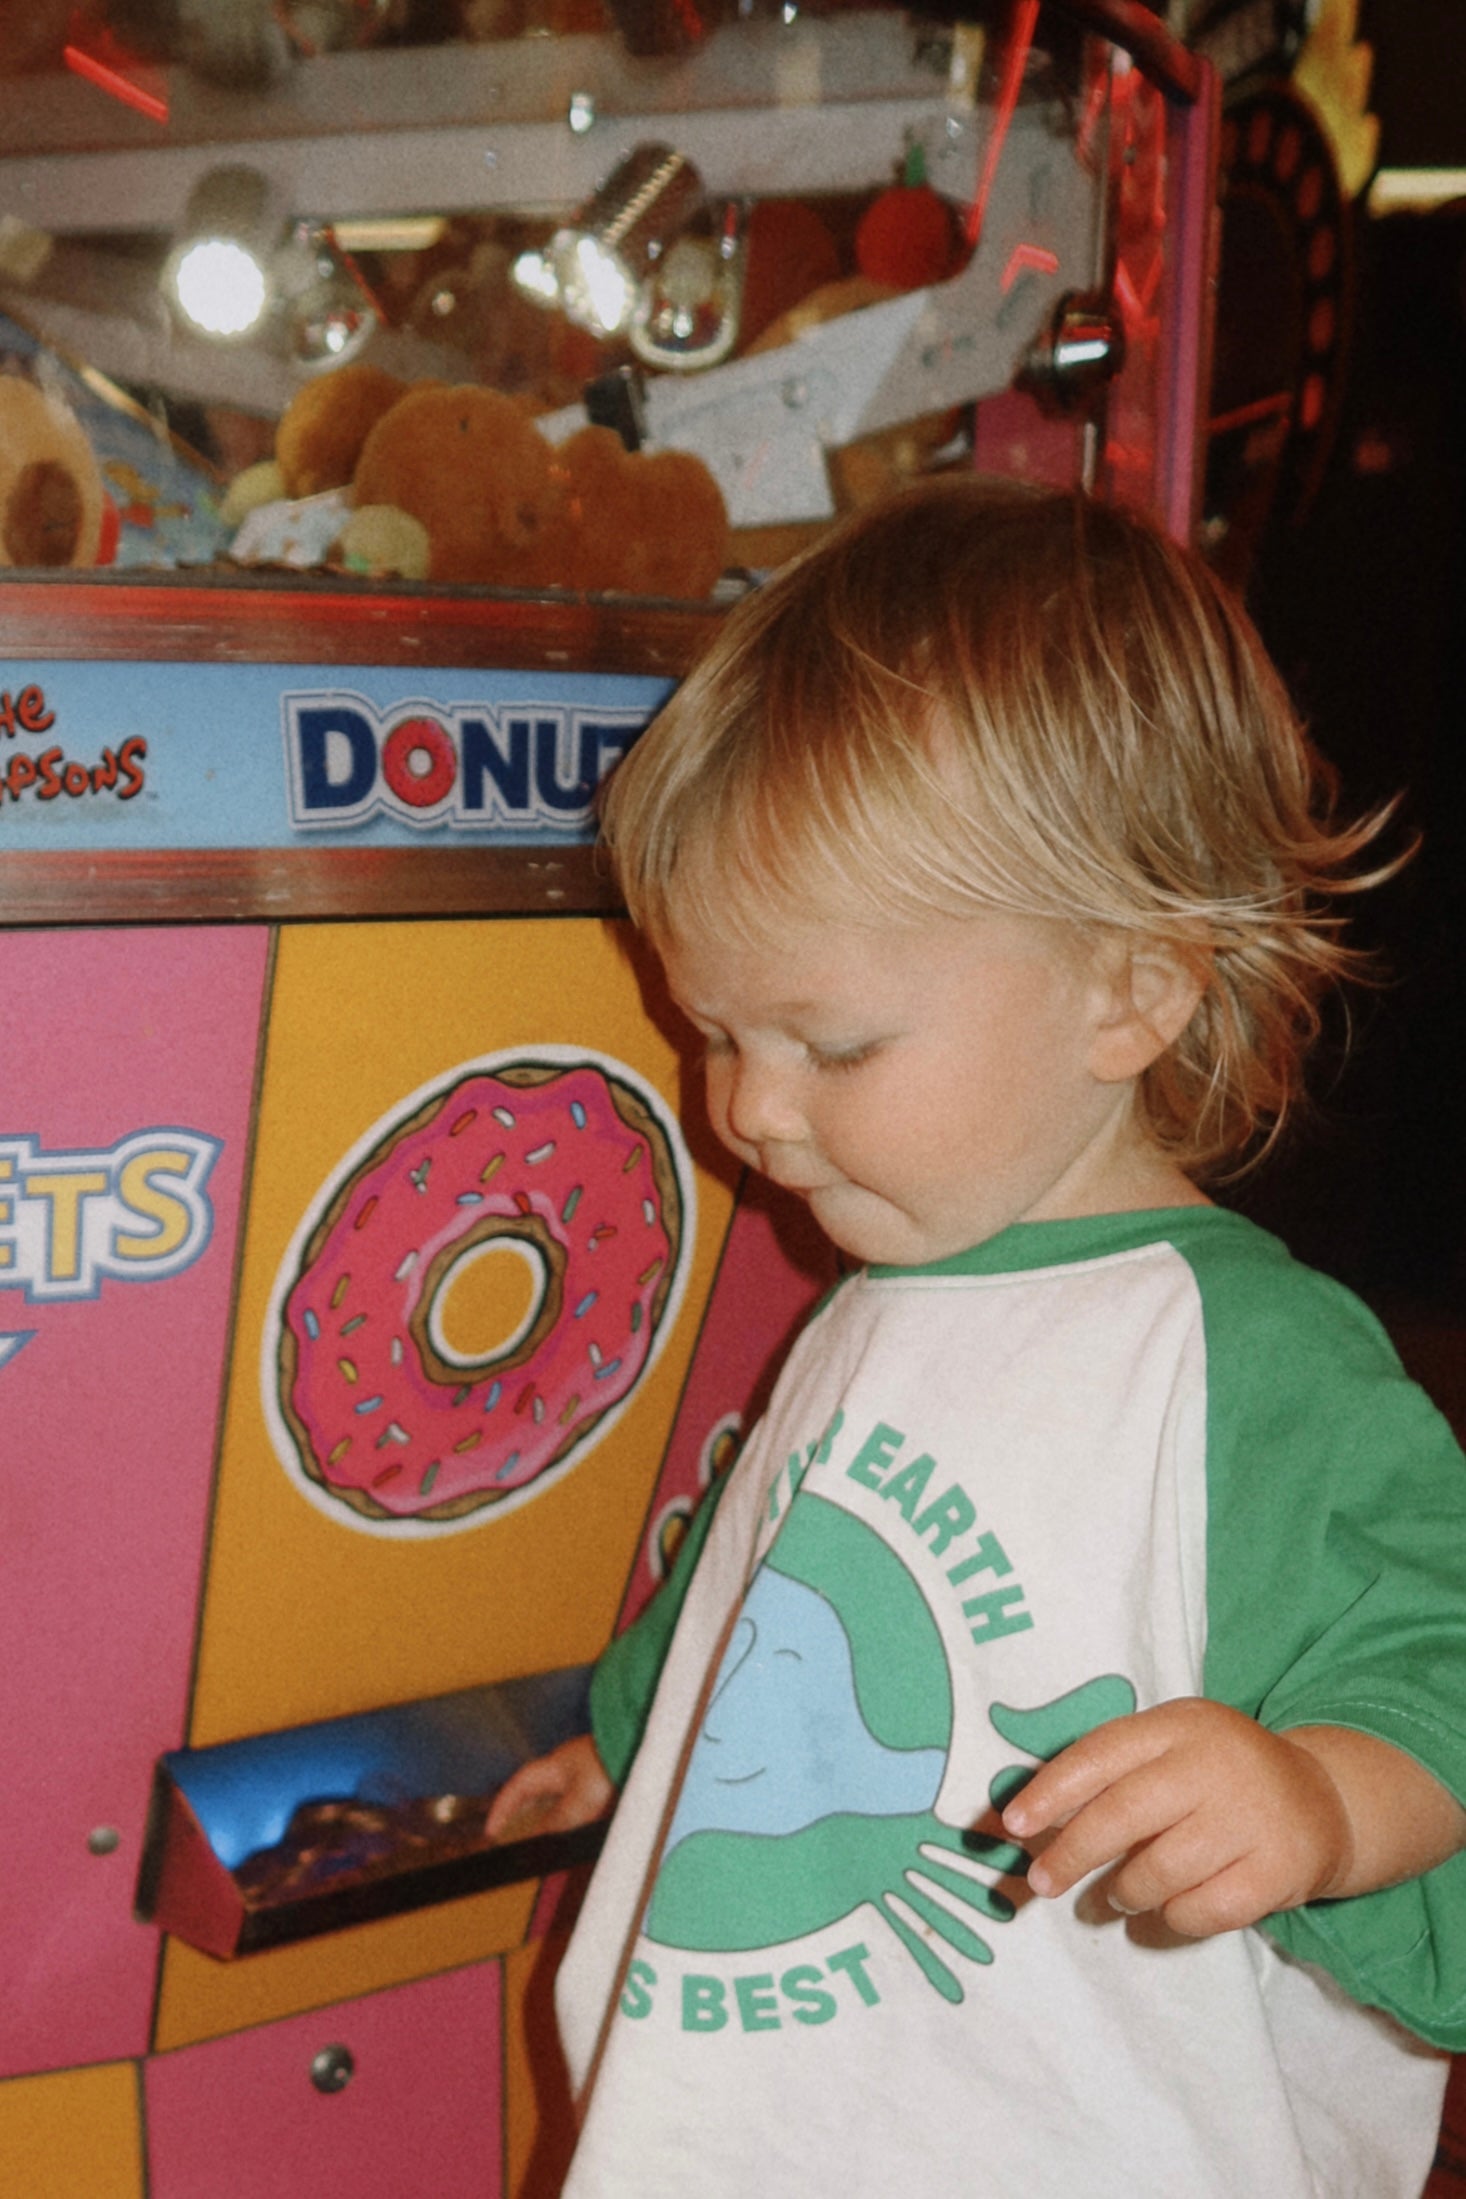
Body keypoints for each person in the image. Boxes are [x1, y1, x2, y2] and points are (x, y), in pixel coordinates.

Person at [487, 479, 1466, 2196]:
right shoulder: (871, 1304)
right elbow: (763, 1572)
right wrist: (635, 1747)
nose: (751, 1112)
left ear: (1129, 989)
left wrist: (1314, 1800)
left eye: (833, 1045)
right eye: (719, 1032)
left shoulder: (1239, 1359)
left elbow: (1441, 1663)